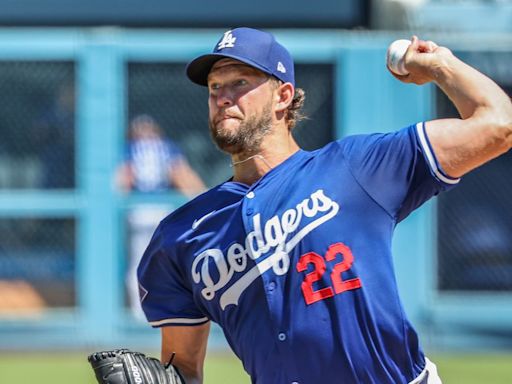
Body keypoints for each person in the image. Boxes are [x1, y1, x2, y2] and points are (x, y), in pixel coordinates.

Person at [137, 28, 512, 383]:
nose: (222, 97)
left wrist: (439, 65)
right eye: (215, 87)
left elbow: (498, 125)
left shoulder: (358, 166)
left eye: (240, 83)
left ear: (283, 96)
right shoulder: (183, 235)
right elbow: (183, 367)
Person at [117, 114, 205, 319]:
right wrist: (203, 200)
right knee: (171, 260)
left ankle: (140, 312)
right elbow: (182, 176)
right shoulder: (166, 147)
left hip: (140, 209)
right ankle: (170, 307)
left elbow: (123, 180)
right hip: (162, 209)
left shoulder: (130, 149)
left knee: (139, 261)